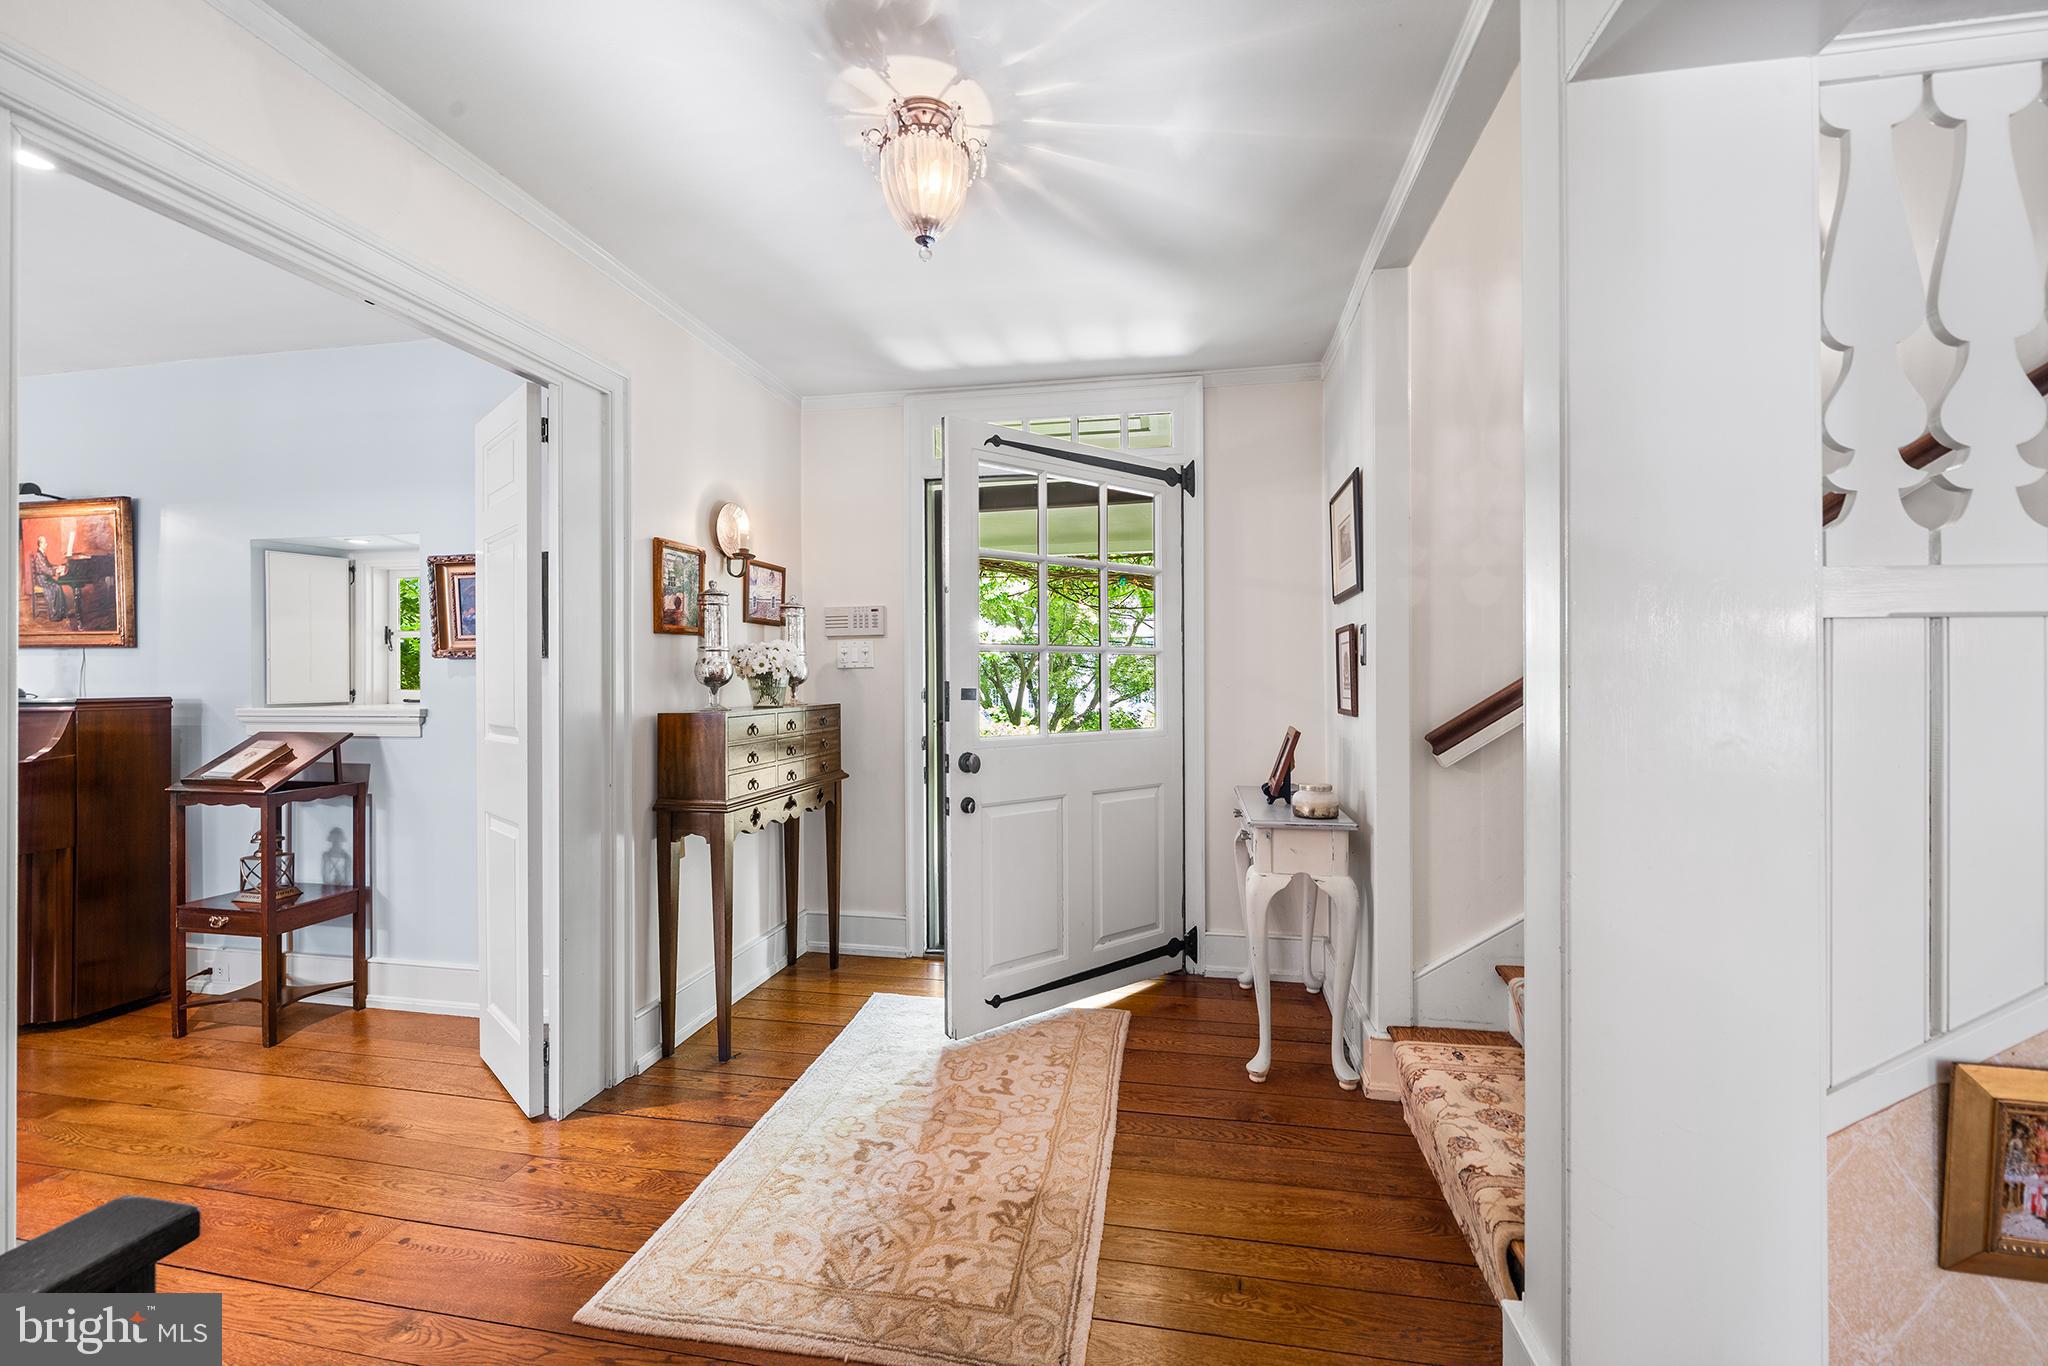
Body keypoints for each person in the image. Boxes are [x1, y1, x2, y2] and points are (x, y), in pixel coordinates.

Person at [28, 534, 74, 624]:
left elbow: (49, 565)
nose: (46, 544)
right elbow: (45, 569)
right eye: (45, 543)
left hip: (45, 578)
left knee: (58, 586)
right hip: (42, 580)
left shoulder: (42, 554)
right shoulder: (38, 556)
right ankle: (55, 615)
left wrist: (57, 567)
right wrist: (56, 571)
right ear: (40, 544)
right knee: (56, 588)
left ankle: (61, 613)